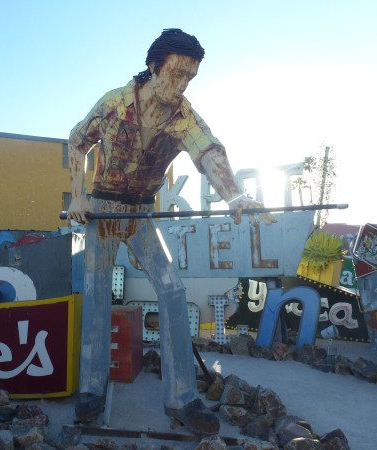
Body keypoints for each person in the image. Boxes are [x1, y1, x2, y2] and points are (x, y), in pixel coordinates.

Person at [66, 29, 274, 434]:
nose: (180, 86)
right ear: (153, 67)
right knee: (96, 293)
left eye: (188, 78)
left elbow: (208, 150)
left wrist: (234, 196)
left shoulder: (184, 116)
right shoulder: (114, 104)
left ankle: (182, 396)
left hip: (144, 213)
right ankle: (90, 390)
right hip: (104, 209)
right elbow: (77, 141)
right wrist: (78, 196)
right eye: (175, 74)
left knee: (174, 291)